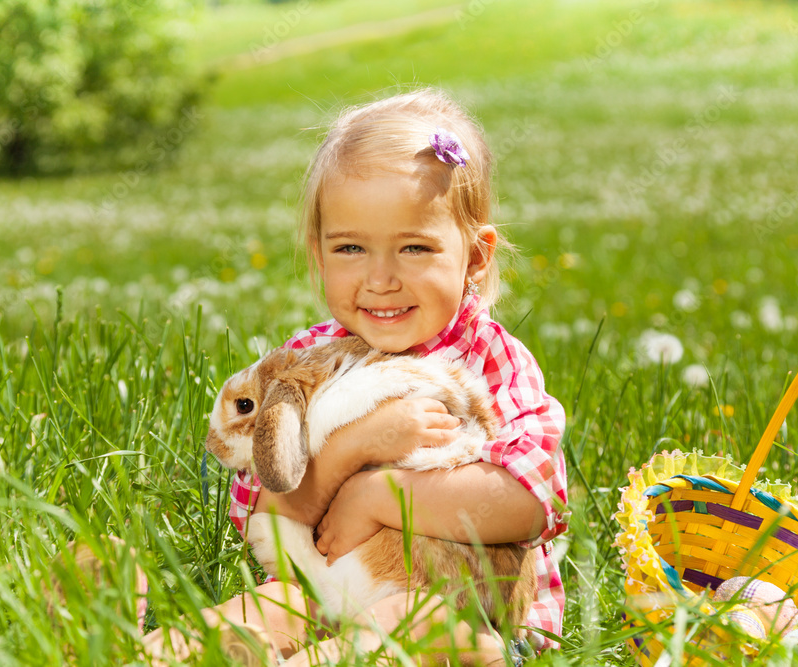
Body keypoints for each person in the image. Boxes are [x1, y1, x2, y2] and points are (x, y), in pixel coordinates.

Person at [143, 88, 569, 665]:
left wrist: (380, 495)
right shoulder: (304, 359)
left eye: (415, 248)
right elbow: (269, 519)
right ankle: (150, 651)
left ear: (475, 256)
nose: (380, 278)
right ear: (318, 255)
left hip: (467, 609)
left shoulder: (492, 358)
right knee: (267, 606)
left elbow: (527, 501)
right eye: (350, 248)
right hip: (323, 589)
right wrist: (354, 448)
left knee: (416, 620)